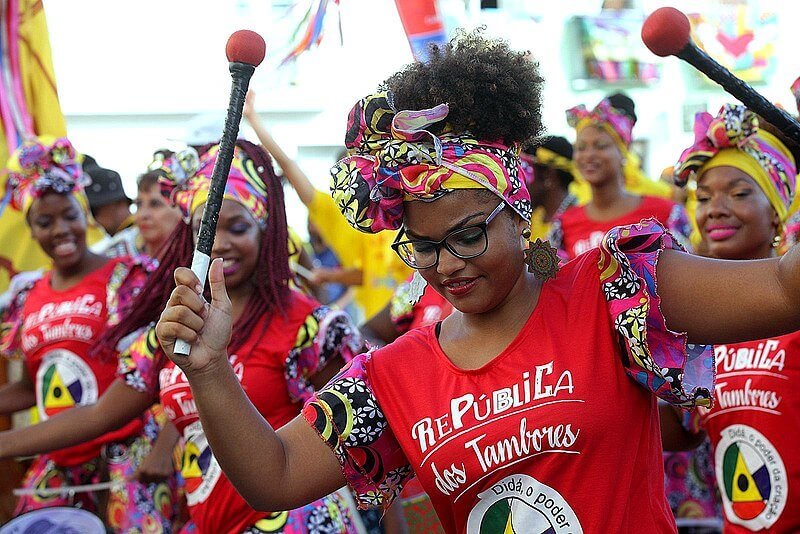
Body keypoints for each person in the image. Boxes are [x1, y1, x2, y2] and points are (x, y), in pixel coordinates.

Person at [155, 33, 800, 534]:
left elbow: (782, 290)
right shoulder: (388, 378)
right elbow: (277, 474)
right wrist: (210, 369)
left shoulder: (616, 286)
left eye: (467, 235)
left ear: (518, 206)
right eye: (423, 247)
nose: (447, 267)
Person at [0, 140, 363, 534]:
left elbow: (360, 440)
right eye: (206, 229)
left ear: (266, 228)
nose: (221, 243)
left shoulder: (309, 328)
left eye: (237, 227)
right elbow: (100, 414)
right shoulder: (177, 327)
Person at [0, 137, 177, 531]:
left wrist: (167, 444)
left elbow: (171, 367)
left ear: (86, 217)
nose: (60, 230)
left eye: (70, 216)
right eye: (45, 222)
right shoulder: (27, 297)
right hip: (58, 454)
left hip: (130, 451)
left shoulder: (129, 278)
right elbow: (34, 388)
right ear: (31, 229)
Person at [661, 104, 800, 533]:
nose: (715, 209)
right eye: (702, 198)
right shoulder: (699, 330)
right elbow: (682, 432)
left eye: (738, 193)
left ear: (777, 211)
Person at [243, 92, 412, 322]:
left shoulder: (408, 198)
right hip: (382, 328)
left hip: (424, 320)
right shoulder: (342, 212)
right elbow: (290, 167)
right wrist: (253, 120)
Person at [549, 96, 693, 260]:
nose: (588, 155)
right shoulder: (563, 224)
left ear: (623, 152)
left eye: (601, 145)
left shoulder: (666, 212)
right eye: (581, 148)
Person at [522, 135, 578, 241]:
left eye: (526, 171)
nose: (519, 182)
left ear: (548, 175)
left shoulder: (578, 221)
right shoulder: (531, 221)